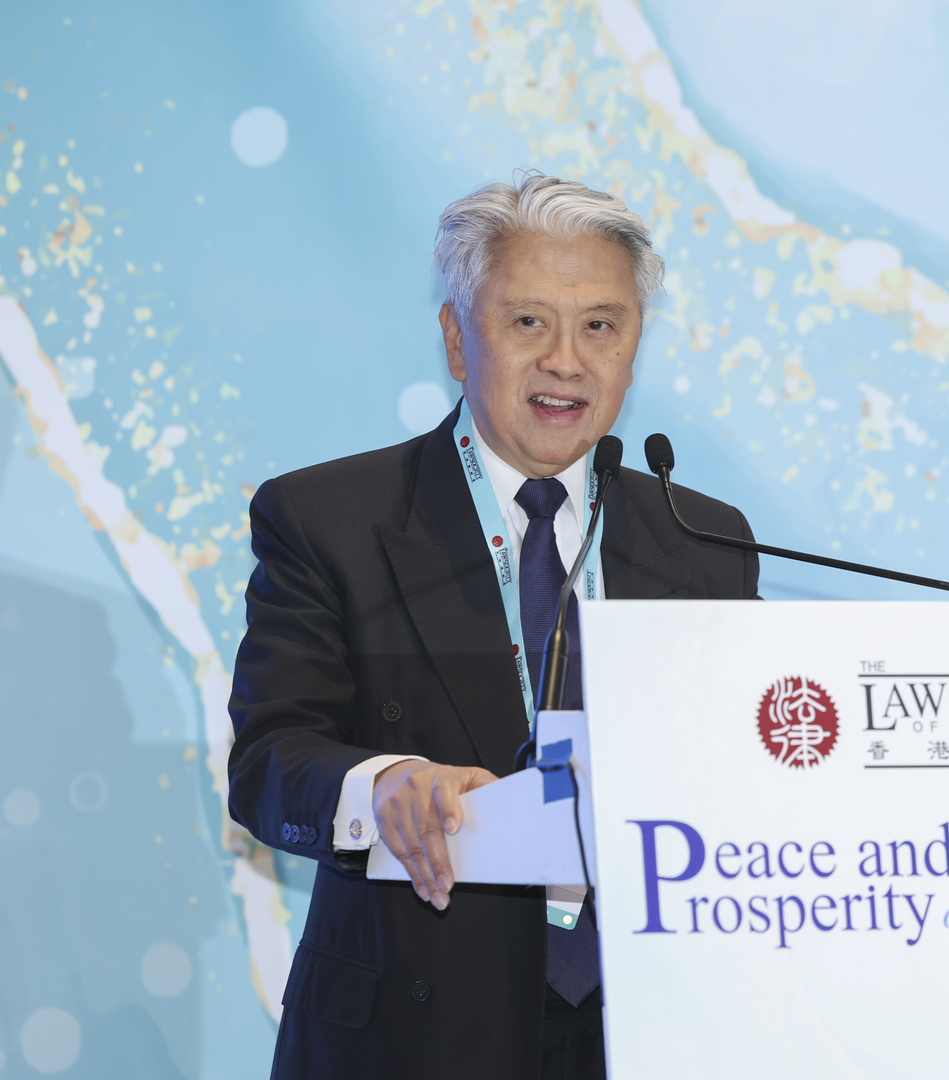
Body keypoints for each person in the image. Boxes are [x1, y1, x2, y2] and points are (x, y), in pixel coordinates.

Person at [227, 173, 759, 1078]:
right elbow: (270, 760)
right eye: (527, 322)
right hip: (417, 1033)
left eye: (601, 325)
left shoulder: (702, 540)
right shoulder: (330, 518)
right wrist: (381, 785)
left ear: (635, 345)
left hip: (649, 1029)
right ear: (456, 339)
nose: (567, 361)